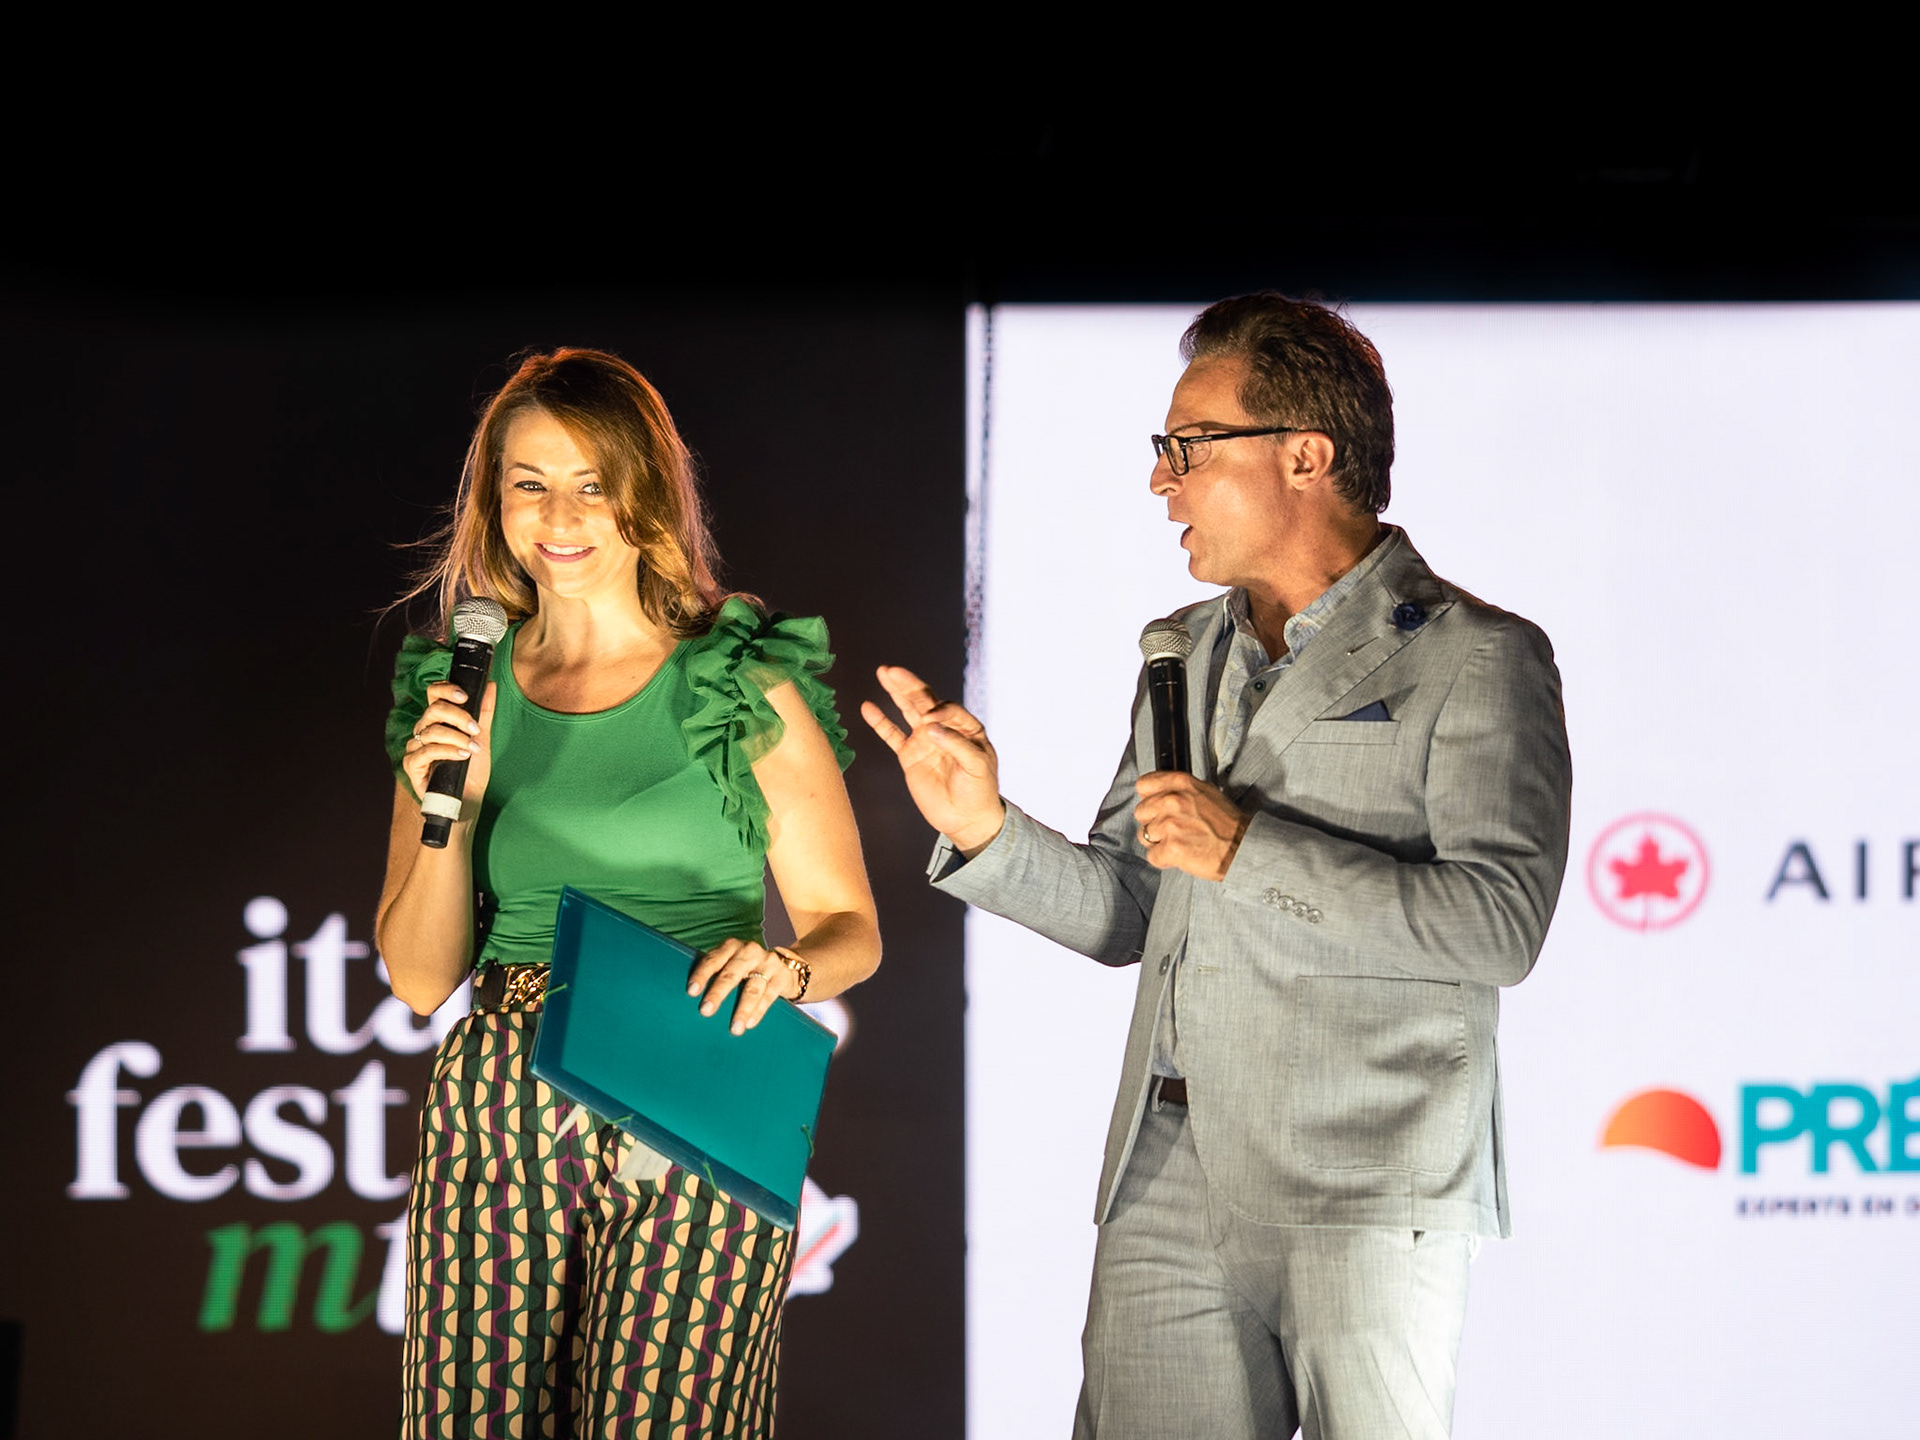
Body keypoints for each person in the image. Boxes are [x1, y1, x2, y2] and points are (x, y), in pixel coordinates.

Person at [864, 294, 1572, 1440]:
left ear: (1306, 455)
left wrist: (1248, 852)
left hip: (1369, 1174)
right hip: (1167, 1170)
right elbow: (1128, 909)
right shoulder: (1183, 651)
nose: (1162, 480)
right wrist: (987, 827)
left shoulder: (1476, 657)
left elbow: (1498, 926)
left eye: (1189, 446)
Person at [378, 349, 879, 1437]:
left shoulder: (738, 680)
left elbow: (850, 930)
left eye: (591, 485)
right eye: (528, 483)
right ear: (492, 498)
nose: (558, 517)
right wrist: (455, 799)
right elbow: (417, 979)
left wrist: (785, 969)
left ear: (645, 494)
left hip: (696, 1067)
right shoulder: (458, 690)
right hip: (501, 1088)